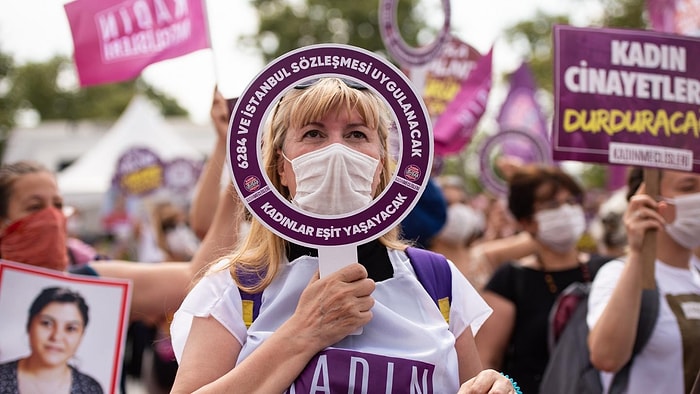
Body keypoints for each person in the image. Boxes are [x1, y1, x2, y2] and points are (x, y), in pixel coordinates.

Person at [169, 77, 516, 393]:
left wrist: (495, 387)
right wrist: (303, 332)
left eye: (356, 135)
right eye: (314, 134)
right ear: (280, 167)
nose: (337, 150)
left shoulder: (436, 280)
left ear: (380, 167)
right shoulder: (235, 287)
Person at [475, 164, 610, 393]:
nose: (567, 211)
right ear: (526, 221)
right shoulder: (511, 280)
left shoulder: (607, 270)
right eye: (553, 205)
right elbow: (486, 362)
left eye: (571, 202)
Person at [587, 168, 700, 393]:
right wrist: (638, 252)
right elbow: (607, 358)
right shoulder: (617, 275)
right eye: (688, 188)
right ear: (649, 199)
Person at [0, 287, 103, 393]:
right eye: (46, 323)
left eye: (70, 328)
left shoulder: (91, 389)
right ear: (29, 325)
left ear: (81, 336)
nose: (56, 336)